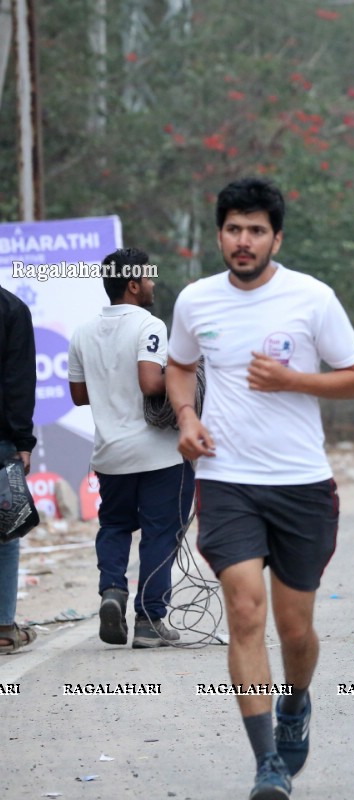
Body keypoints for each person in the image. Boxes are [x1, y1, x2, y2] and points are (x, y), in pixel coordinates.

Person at [166, 178, 354, 797]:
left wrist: (291, 380)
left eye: (256, 230)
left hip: (301, 484)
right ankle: (267, 764)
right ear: (220, 235)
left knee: (296, 630)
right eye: (233, 229)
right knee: (245, 609)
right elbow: (179, 364)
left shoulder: (312, 298)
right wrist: (186, 418)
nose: (243, 241)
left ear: (275, 237)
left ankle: (295, 702)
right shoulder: (197, 301)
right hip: (228, 480)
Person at [67, 247, 196, 648]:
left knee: (115, 525)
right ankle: (149, 621)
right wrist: (185, 370)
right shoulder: (149, 324)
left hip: (110, 454)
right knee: (160, 532)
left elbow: (78, 394)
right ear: (135, 284)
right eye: (150, 278)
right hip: (159, 454)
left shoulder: (83, 332)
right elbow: (150, 383)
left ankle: (112, 591)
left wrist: (110, 389)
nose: (154, 285)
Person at [0, 287, 36, 655]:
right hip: (1, 441)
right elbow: (18, 382)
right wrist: (22, 441)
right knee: (5, 533)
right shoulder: (11, 308)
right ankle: (3, 626)